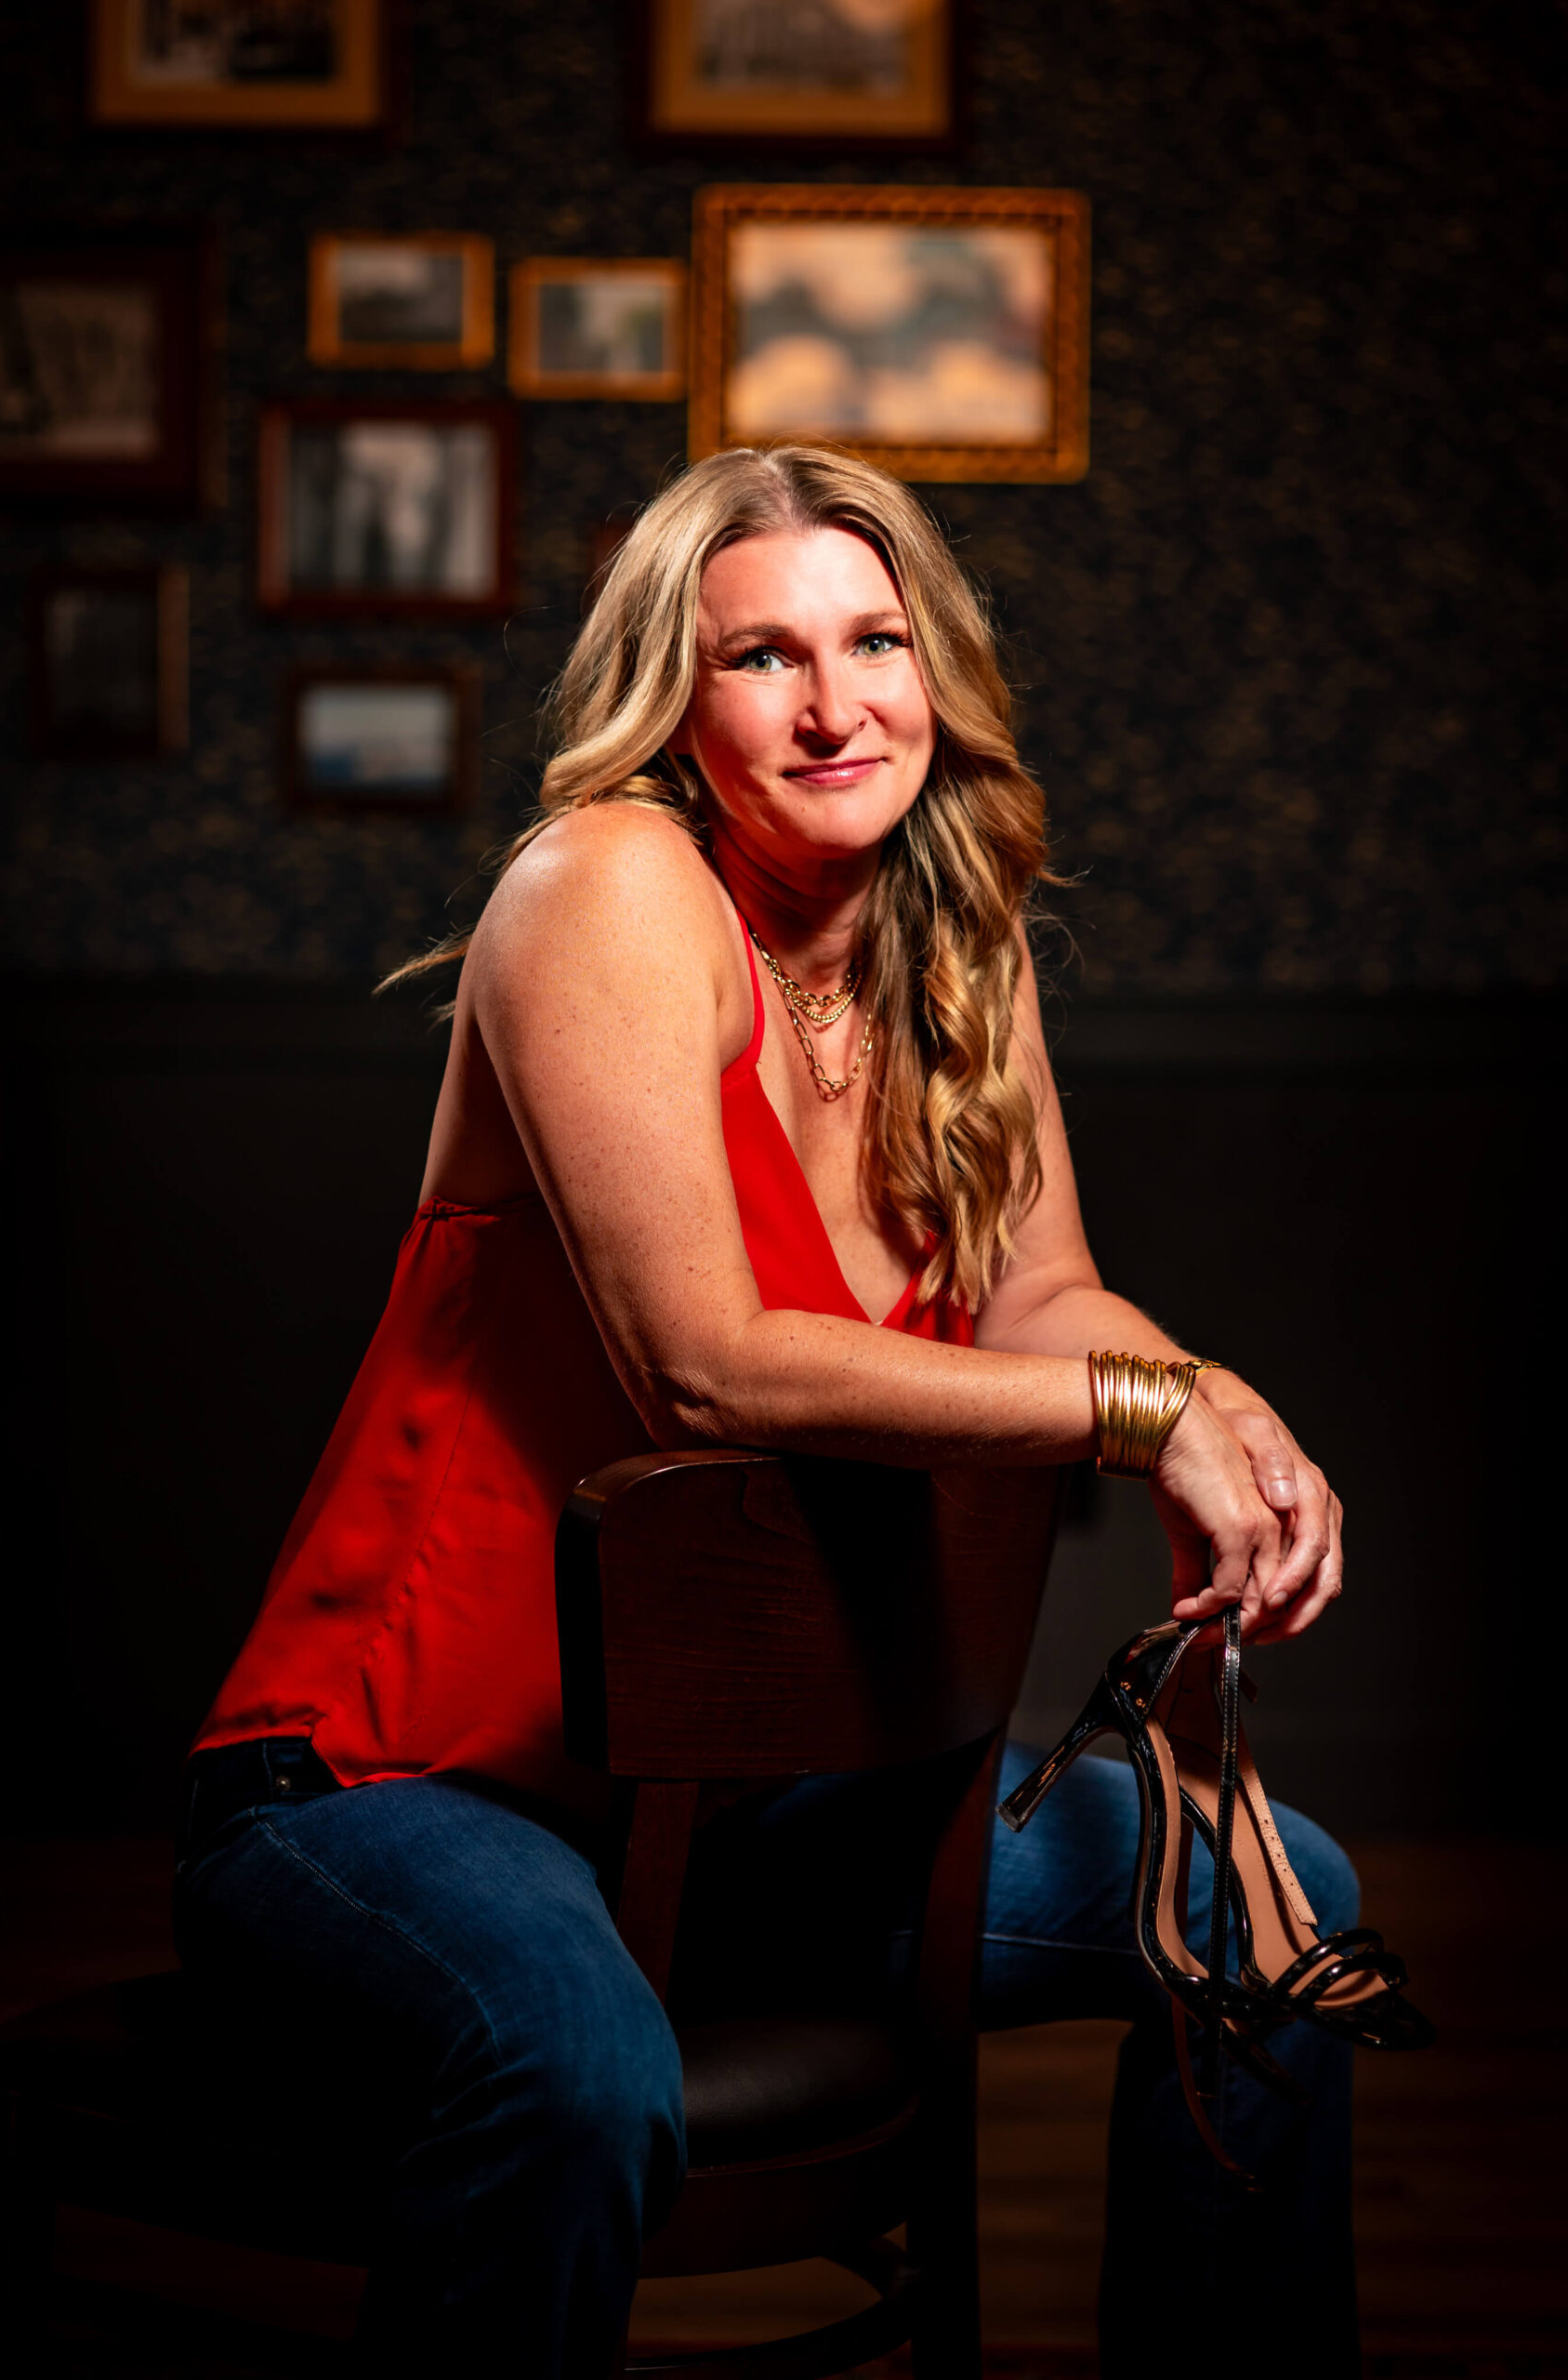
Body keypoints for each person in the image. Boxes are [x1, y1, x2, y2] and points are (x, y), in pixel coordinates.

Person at [176, 443, 1358, 2375]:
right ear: (675, 694)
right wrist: (1141, 1410)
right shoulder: (608, 886)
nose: (835, 703)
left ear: (937, 663)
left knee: (1281, 1899)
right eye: (762, 656)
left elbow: (1042, 1288)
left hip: (741, 1814)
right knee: (571, 2063)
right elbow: (701, 1356)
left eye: (875, 637)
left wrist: (1210, 1391)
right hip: (400, 1788)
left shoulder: (955, 939)